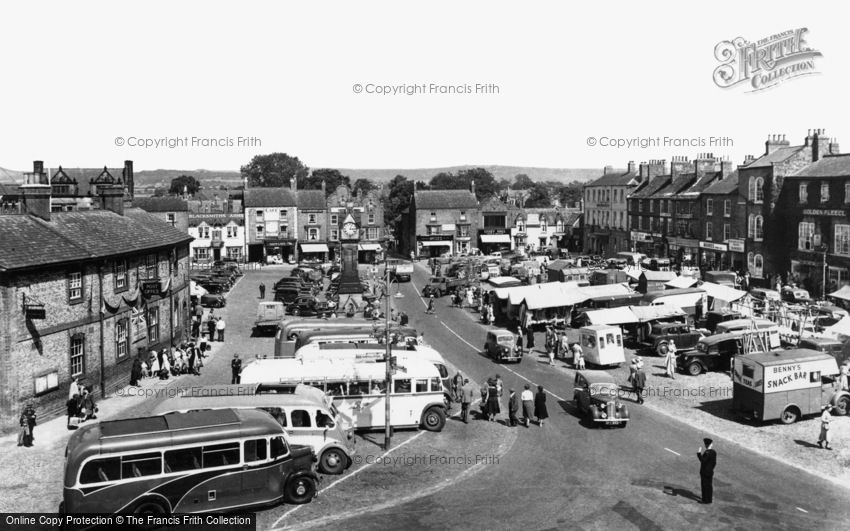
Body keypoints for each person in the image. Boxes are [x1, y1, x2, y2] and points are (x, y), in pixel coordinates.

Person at [697, 438, 717, 504]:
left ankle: (705, 500)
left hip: (704, 472)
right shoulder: (714, 452)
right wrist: (711, 468)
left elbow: (703, 461)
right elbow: (714, 463)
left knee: (704, 486)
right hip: (710, 472)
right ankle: (709, 499)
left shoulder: (707, 452)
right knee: (709, 486)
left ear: (706, 445)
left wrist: (699, 454)